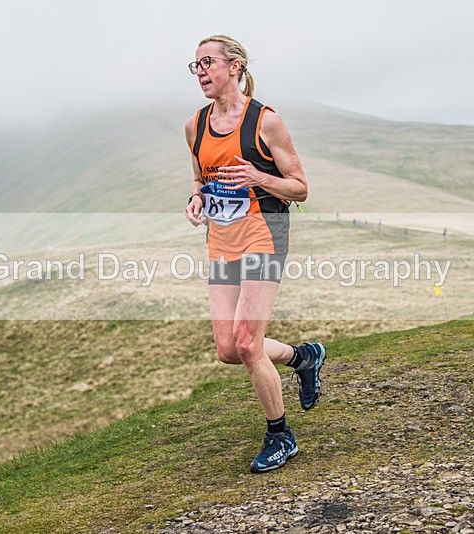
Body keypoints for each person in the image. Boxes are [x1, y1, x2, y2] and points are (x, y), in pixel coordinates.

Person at [184, 35, 327, 473]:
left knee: (248, 342)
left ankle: (280, 435)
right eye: (195, 66)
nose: (201, 72)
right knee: (229, 348)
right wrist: (195, 199)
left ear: (235, 65)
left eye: (207, 62)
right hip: (221, 240)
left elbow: (300, 187)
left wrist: (258, 178)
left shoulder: (266, 122)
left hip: (264, 234)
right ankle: (303, 357)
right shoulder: (195, 125)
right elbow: (198, 176)